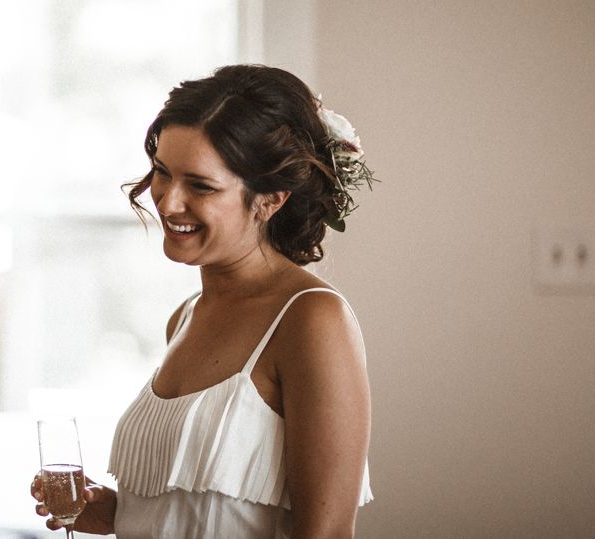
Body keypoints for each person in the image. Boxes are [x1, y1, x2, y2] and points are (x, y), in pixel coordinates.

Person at [31, 64, 374, 537]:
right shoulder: (185, 316)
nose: (168, 202)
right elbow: (202, 510)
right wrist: (115, 513)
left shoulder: (312, 319)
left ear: (270, 199)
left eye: (201, 185)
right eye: (163, 173)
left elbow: (328, 534)